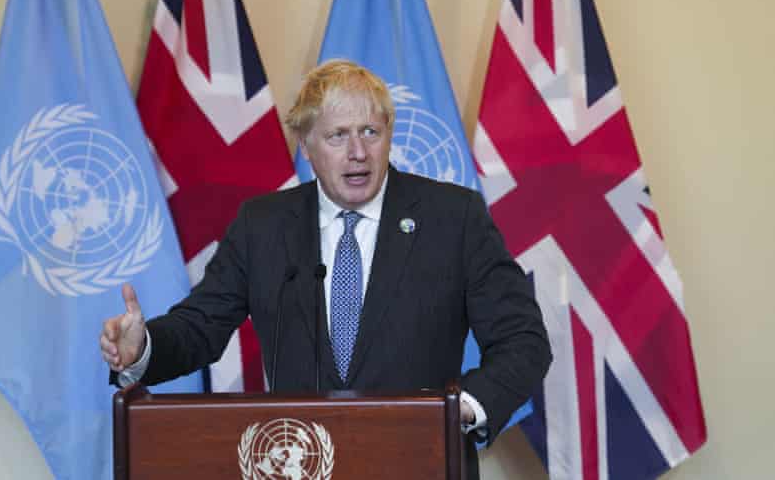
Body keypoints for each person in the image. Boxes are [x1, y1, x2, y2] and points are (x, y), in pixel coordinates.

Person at [100, 59, 551, 450]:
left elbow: (524, 341)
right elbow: (201, 327)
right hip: (301, 459)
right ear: (306, 146)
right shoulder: (264, 226)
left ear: (389, 135)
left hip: (421, 458)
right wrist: (142, 348)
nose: (358, 153)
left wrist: (461, 410)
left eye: (370, 132)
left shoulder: (453, 218)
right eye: (337, 136)